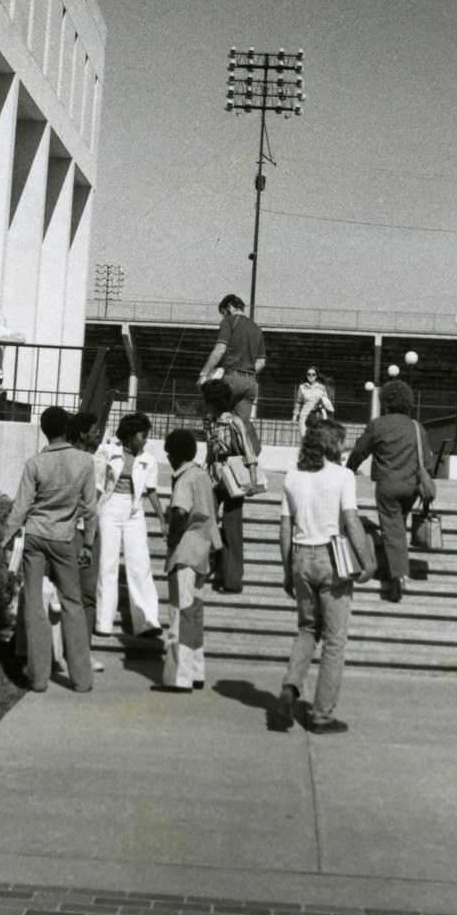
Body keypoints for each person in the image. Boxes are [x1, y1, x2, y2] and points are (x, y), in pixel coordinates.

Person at [276, 417, 376, 734]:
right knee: (334, 640)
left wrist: (287, 570)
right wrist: (367, 561)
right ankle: (321, 715)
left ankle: (291, 686)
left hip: (301, 557)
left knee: (307, 629)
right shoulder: (343, 477)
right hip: (332, 560)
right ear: (333, 444)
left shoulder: (292, 478)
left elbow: (285, 528)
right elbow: (351, 521)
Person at [0, 405, 97, 692]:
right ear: (67, 429)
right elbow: (90, 510)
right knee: (73, 603)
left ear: (44, 430)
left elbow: (20, 509)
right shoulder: (84, 462)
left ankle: (38, 677)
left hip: (36, 537)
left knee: (33, 604)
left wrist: (4, 540)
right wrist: (89, 543)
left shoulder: (34, 464)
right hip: (65, 538)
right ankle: (81, 678)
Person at [345, 379, 433, 603]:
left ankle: (399, 576)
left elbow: (359, 452)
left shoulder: (378, 425)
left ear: (385, 402)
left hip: (387, 485)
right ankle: (392, 566)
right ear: (408, 403)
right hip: (412, 486)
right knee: (397, 527)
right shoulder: (416, 427)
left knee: (392, 529)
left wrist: (349, 470)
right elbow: (428, 462)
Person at [94, 411, 166, 639]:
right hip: (110, 508)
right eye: (143, 435)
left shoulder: (149, 460)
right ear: (130, 435)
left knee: (140, 564)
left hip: (135, 511)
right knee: (108, 564)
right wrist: (91, 515)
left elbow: (152, 491)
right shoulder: (107, 452)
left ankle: (147, 621)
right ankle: (103, 623)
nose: (146, 440)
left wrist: (163, 520)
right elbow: (97, 486)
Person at [162, 427, 221, 692]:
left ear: (173, 455)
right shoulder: (203, 476)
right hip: (202, 552)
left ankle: (180, 676)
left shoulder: (184, 478)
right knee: (195, 615)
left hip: (185, 551)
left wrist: (172, 537)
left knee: (180, 613)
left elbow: (180, 513)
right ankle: (196, 671)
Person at [201, 377, 263, 593]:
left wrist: (253, 481)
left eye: (207, 400)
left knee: (232, 527)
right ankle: (205, 564)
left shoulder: (236, 422)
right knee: (205, 520)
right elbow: (210, 452)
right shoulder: (208, 422)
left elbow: (249, 452)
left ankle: (232, 580)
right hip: (213, 476)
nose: (204, 404)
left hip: (234, 476)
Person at [66, 409, 105, 671]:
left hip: (86, 533)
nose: (99, 434)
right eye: (94, 430)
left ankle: (82, 654)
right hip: (67, 533)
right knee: (67, 594)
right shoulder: (65, 459)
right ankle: (61, 651)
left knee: (87, 595)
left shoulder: (97, 463)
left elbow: (92, 501)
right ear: (82, 434)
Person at [197, 293, 265, 423]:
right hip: (250, 383)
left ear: (229, 307)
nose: (223, 316)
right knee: (240, 428)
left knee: (212, 420)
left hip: (230, 380)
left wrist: (203, 374)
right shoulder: (257, 329)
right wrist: (246, 374)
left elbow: (220, 349)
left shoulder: (229, 321)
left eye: (223, 313)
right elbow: (261, 362)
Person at [293, 367, 335, 433]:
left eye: (313, 374)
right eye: (309, 374)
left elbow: (326, 402)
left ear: (316, 376)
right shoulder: (302, 387)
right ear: (306, 375)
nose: (311, 376)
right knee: (305, 438)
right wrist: (294, 416)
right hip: (305, 416)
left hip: (318, 416)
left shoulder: (321, 388)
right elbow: (298, 402)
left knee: (317, 438)